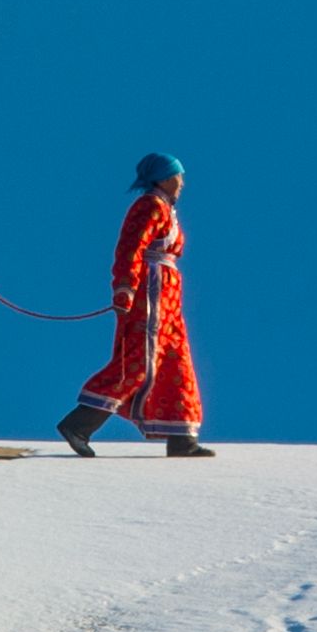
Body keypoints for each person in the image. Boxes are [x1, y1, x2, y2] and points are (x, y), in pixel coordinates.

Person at [60, 152, 212, 459]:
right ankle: (79, 425)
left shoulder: (166, 208)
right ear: (163, 178)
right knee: (140, 360)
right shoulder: (150, 206)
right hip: (149, 294)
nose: (182, 182)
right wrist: (125, 288)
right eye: (177, 176)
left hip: (168, 298)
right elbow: (131, 247)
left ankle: (181, 437)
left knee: (175, 360)